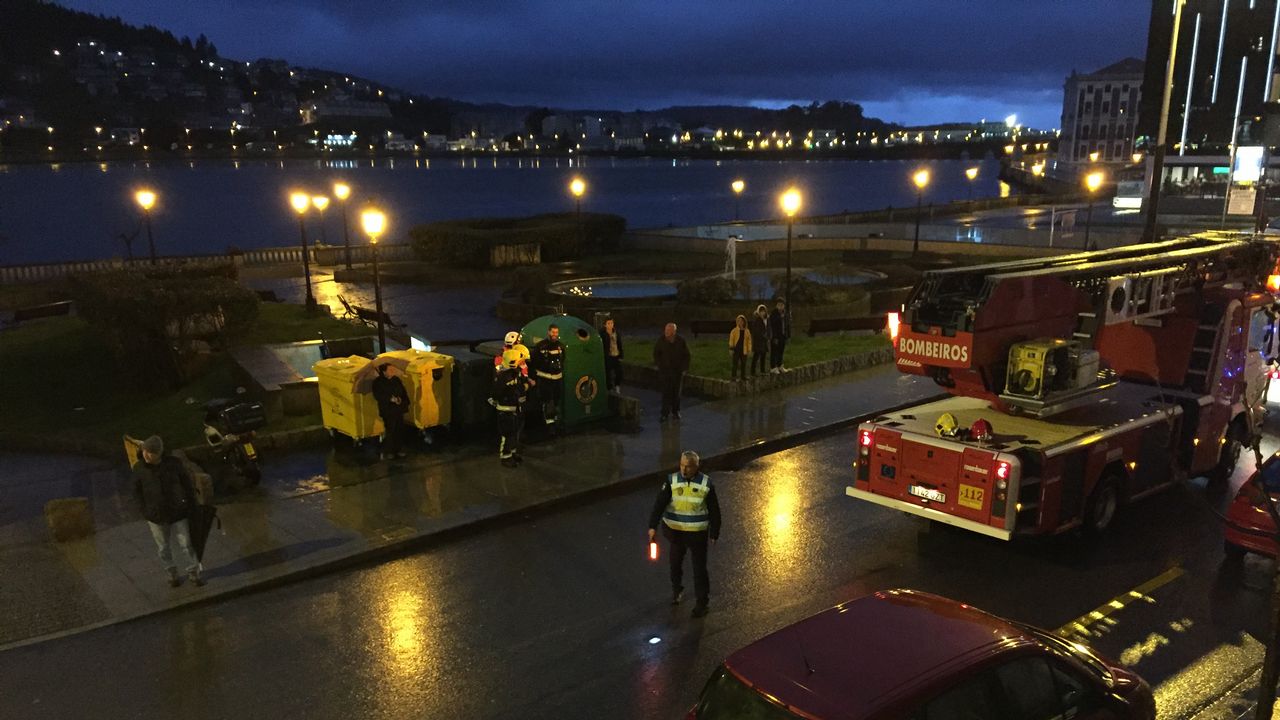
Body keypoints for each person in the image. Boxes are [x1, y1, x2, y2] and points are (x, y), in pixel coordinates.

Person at [647, 450, 720, 618]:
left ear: (696, 466)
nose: (684, 470)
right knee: (675, 565)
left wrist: (714, 532)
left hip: (697, 534)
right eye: (681, 465)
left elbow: (714, 510)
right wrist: (652, 526)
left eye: (688, 467)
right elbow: (659, 504)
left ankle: (702, 603)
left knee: (699, 570)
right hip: (676, 534)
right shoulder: (672, 481)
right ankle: (677, 590)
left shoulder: (706, 483)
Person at [132, 435, 204, 587]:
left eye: (150, 452)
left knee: (186, 544)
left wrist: (191, 505)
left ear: (158, 453)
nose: (146, 455)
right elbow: (136, 492)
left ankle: (193, 573)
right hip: (156, 515)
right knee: (163, 547)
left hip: (178, 512)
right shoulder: (139, 468)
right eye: (144, 451)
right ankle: (172, 574)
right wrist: (145, 511)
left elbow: (186, 484)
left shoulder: (173, 464)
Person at [490, 347, 535, 467]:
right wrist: (524, 387)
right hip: (505, 410)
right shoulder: (503, 377)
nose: (522, 363)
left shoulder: (515, 373)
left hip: (515, 408)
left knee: (514, 433)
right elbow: (498, 393)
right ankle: (505, 457)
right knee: (507, 434)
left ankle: (512, 453)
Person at [653, 322, 691, 422]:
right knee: (666, 392)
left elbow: (686, 356)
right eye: (666, 330)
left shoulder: (680, 341)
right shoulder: (661, 341)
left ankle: (676, 411)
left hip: (677, 371)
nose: (666, 332)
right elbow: (656, 354)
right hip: (665, 371)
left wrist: (684, 368)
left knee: (676, 393)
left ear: (674, 331)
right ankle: (664, 413)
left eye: (669, 331)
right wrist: (659, 365)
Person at [372, 363, 410, 460]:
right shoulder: (378, 382)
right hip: (388, 411)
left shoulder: (396, 380)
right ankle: (389, 450)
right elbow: (378, 396)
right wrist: (390, 399)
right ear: (384, 371)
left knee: (399, 429)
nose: (392, 371)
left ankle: (399, 448)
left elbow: (403, 392)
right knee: (390, 430)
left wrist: (401, 400)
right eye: (390, 370)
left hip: (398, 409)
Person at [532, 324, 566, 433]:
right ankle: (549, 425)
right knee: (547, 401)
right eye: (553, 332)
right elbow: (534, 362)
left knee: (556, 401)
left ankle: (556, 422)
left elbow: (563, 360)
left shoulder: (561, 346)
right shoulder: (540, 346)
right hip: (545, 379)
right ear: (548, 332)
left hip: (558, 379)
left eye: (556, 332)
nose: (555, 335)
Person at [600, 317, 625, 392]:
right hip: (608, 356)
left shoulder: (616, 332)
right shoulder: (602, 334)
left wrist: (621, 354)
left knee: (619, 372)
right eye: (608, 323)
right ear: (605, 325)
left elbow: (619, 344)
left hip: (616, 355)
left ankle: (617, 385)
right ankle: (609, 388)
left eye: (611, 323)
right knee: (608, 373)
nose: (610, 325)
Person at [768, 298, 791, 374]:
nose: (780, 306)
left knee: (781, 351)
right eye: (779, 305)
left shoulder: (785, 314)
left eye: (782, 305)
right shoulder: (774, 314)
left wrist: (787, 336)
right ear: (776, 305)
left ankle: (780, 365)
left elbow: (787, 325)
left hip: (783, 335)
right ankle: (773, 367)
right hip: (775, 336)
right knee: (774, 352)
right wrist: (774, 337)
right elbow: (772, 325)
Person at [728, 314, 752, 382]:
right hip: (736, 349)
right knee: (735, 363)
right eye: (739, 321)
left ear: (744, 322)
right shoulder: (734, 331)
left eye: (742, 321)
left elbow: (749, 341)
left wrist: (749, 350)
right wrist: (731, 348)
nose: (740, 322)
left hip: (744, 349)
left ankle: (743, 376)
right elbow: (731, 340)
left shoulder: (747, 331)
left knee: (743, 363)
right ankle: (733, 377)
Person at [748, 304, 770, 377]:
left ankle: (762, 370)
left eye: (763, 311)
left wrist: (768, 336)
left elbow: (768, 329)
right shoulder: (757, 320)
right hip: (758, 341)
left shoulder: (766, 319)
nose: (762, 313)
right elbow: (756, 331)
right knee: (756, 356)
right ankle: (752, 371)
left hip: (764, 341)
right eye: (761, 311)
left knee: (763, 356)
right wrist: (763, 335)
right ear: (758, 312)